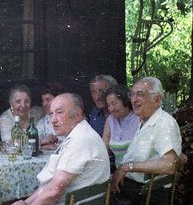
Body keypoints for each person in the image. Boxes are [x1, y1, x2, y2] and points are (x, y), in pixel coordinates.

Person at [13, 93, 110, 205]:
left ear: (78, 114)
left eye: (59, 112)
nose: (53, 120)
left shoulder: (80, 141)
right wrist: (26, 203)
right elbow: (49, 185)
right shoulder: (79, 134)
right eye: (51, 114)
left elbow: (54, 191)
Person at [112, 77, 182, 205]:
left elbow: (169, 165)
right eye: (132, 94)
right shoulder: (146, 120)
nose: (133, 99)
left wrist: (128, 167)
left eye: (140, 94)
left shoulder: (164, 123)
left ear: (156, 99)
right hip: (134, 189)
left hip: (146, 194)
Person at [102, 85, 139, 169]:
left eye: (114, 104)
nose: (111, 109)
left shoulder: (139, 118)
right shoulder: (110, 120)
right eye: (108, 105)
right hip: (120, 174)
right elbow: (104, 150)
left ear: (125, 101)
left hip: (138, 175)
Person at [36, 83, 65, 149]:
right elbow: (31, 144)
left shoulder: (70, 117)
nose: (44, 104)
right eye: (43, 101)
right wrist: (42, 142)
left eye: (48, 99)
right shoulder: (42, 122)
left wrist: (54, 146)